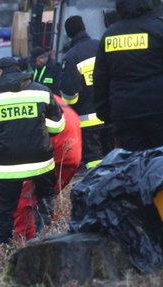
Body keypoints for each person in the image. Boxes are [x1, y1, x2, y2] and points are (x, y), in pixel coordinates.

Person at [0, 57, 65, 244]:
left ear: (0, 73)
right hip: (42, 162)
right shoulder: (42, 92)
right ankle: (48, 239)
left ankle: (4, 249)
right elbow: (57, 127)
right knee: (45, 201)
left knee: (6, 212)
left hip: (8, 168)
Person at [94, 0, 163, 151]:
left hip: (125, 114)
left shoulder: (110, 35)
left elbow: (101, 79)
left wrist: (105, 113)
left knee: (133, 164)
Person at [14, 95, 82, 240]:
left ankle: (24, 241)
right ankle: (47, 228)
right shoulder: (53, 99)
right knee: (45, 196)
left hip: (53, 155)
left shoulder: (25, 104)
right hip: (71, 156)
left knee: (25, 198)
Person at [60, 15, 112, 171]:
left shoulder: (71, 56)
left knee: (93, 160)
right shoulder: (101, 46)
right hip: (110, 114)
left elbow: (70, 94)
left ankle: (97, 188)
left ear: (69, 34)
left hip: (87, 121)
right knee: (112, 156)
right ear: (84, 28)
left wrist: (69, 106)